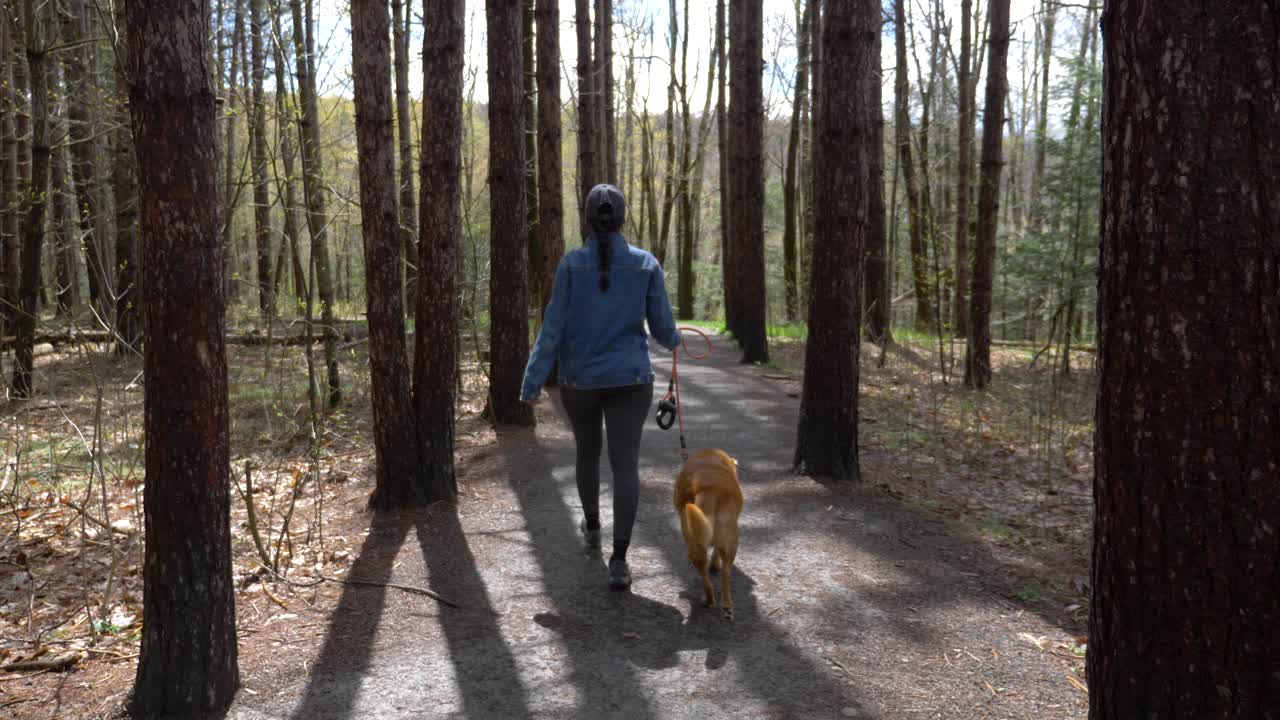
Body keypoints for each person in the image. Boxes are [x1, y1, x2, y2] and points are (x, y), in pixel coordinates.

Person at [520, 183, 680, 590]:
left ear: (588, 220)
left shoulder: (571, 265)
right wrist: (676, 341)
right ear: (623, 219)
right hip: (631, 381)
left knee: (587, 455)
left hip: (580, 382)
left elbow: (552, 329)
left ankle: (592, 529)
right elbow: (663, 330)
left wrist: (532, 381)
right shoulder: (646, 264)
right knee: (625, 465)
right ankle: (620, 560)